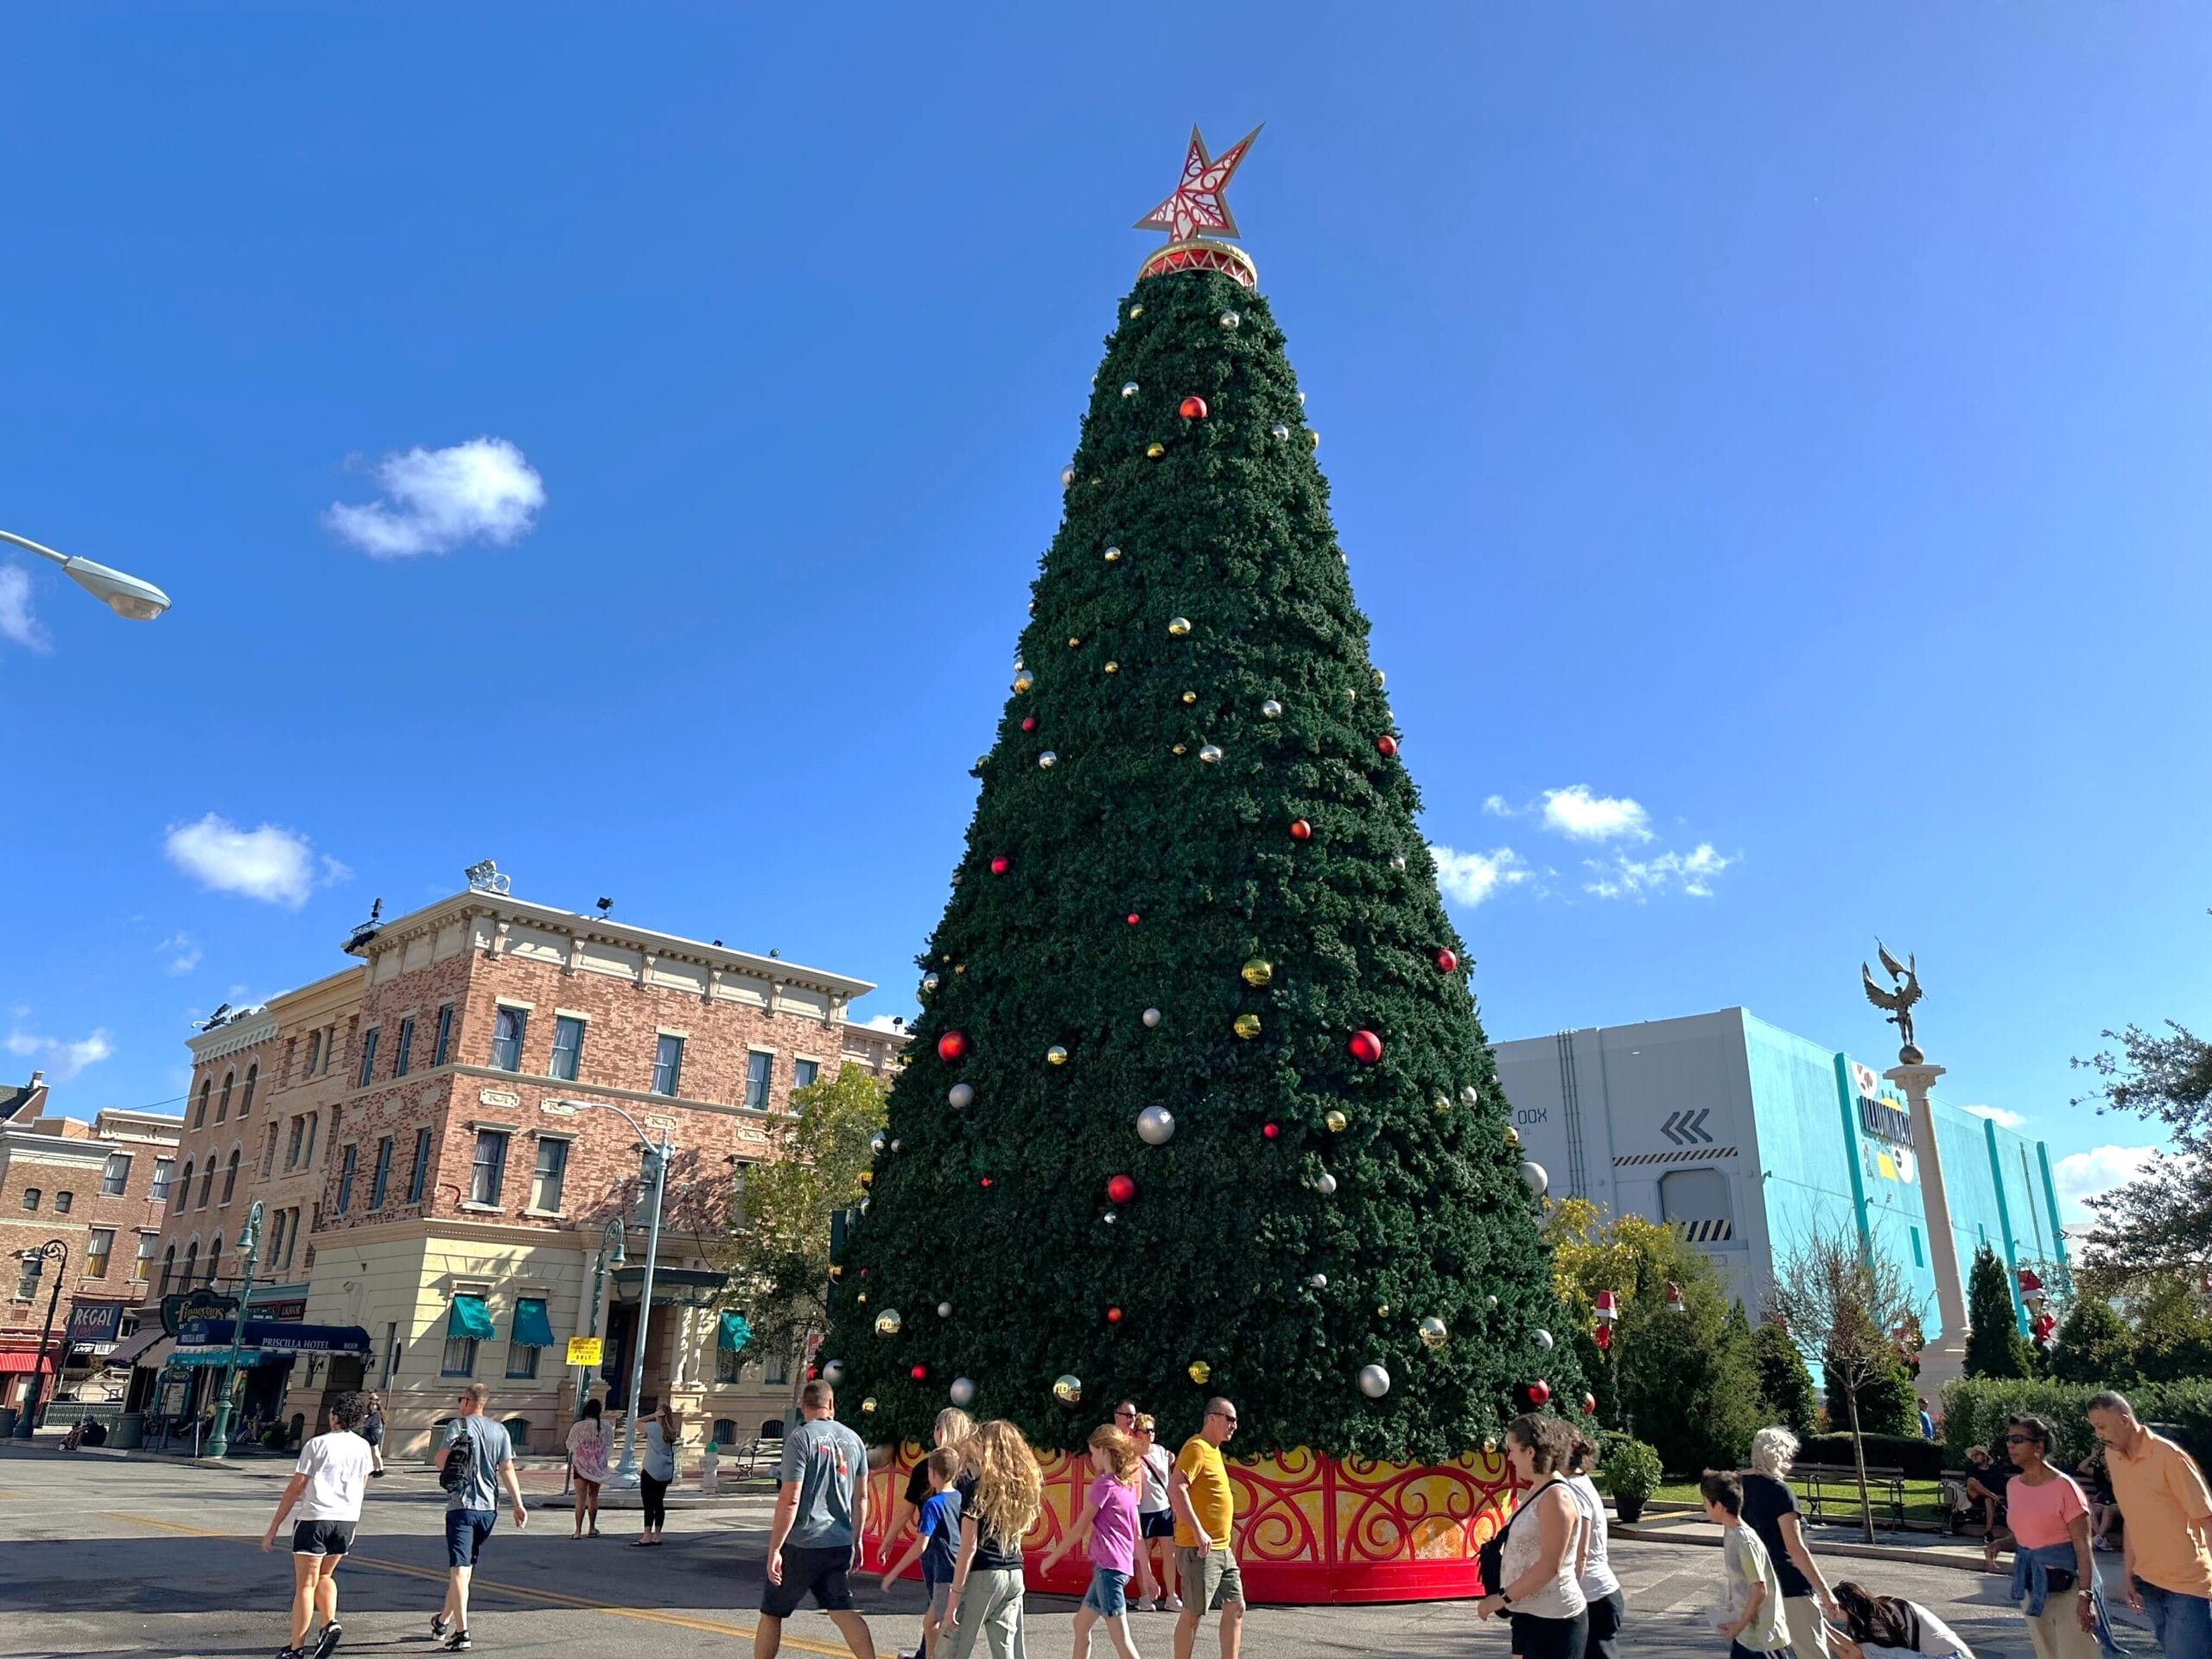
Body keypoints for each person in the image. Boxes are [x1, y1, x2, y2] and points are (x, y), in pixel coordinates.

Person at [2088, 1389, 2212, 1658]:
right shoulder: (2114, 1457)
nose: (2099, 1434)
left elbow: (2206, 1519)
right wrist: (2129, 1573)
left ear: (2123, 1419)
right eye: (2094, 1428)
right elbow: (2133, 1518)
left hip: (2187, 1583)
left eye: (2101, 1426)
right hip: (2149, 1580)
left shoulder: (2168, 1456)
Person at [759, 1379, 876, 1659]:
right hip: (838, 1541)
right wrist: (857, 1539)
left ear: (803, 1406)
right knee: (843, 1611)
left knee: (772, 1612)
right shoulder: (854, 1440)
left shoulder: (800, 1439)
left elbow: (791, 1498)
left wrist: (775, 1548)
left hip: (803, 1543)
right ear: (831, 1404)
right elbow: (861, 1497)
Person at [260, 1391, 375, 1659]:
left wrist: (275, 1525)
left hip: (315, 1518)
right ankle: (329, 1622)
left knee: (305, 1585)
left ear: (333, 1416)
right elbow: (363, 1482)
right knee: (325, 1576)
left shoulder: (317, 1444)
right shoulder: (363, 1447)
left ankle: (296, 1647)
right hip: (346, 1520)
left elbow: (295, 1488)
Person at [1476, 1415, 1588, 1659]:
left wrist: (1501, 1598)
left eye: (1512, 1449)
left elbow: (1549, 1566)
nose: (1509, 1458)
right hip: (1530, 1616)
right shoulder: (1539, 1488)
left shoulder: (1556, 1497)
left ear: (1530, 1452)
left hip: (1555, 1620)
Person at [433, 1382, 529, 1652]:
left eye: (459, 1400)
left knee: (459, 1570)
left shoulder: (458, 1426)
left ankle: (461, 1633)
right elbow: (507, 1468)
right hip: (489, 1509)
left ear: (466, 1401)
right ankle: (442, 1621)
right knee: (464, 1570)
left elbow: (441, 1460)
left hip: (461, 1505)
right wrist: (518, 1504)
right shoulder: (500, 1430)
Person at [2000, 1413, 2103, 1659]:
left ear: (2038, 1446)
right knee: (2046, 1655)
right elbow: (2027, 1533)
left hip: (2068, 1588)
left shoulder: (2064, 1487)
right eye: (2008, 1439)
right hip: (2032, 1586)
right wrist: (2002, 1543)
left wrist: (2084, 1596)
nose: (2010, 1445)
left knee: (2079, 1655)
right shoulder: (2013, 1486)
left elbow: (2083, 1546)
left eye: (2017, 1439)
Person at [1040, 1424, 1146, 1659]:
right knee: (1080, 1624)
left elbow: (1079, 1529)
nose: (1091, 1458)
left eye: (1093, 1452)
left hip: (1108, 1569)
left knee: (1121, 1639)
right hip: (1117, 1567)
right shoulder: (1127, 1486)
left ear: (1105, 1452)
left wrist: (1051, 1558)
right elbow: (1137, 1535)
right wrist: (1147, 1574)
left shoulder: (1104, 1485)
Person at [946, 1418, 1045, 1659]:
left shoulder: (977, 1487)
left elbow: (968, 1546)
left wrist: (954, 1596)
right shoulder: (1021, 1487)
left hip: (984, 1574)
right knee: (1007, 1652)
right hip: (1014, 1573)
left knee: (954, 1646)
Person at [1743, 1427, 1843, 1658]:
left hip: (1752, 1585)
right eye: (1788, 1454)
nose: (1791, 1460)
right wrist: (1825, 1592)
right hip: (1789, 1585)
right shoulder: (1779, 1492)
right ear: (1778, 1455)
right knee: (1811, 1652)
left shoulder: (1736, 1487)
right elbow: (1795, 1549)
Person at [1170, 1398, 1244, 1659]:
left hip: (1222, 1548)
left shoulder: (1212, 1450)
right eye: (1229, 1419)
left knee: (1236, 1607)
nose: (1234, 1425)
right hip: (1198, 1547)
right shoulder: (1197, 1448)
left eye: (1235, 1420)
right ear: (1212, 1418)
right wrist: (1199, 1530)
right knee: (1192, 1613)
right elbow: (1176, 1486)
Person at [881, 1446, 963, 1659]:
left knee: (933, 1623)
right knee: (933, 1622)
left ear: (933, 1474)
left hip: (944, 1571)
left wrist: (893, 1572)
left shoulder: (932, 1505)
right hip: (958, 1567)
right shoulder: (959, 1498)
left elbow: (920, 1545)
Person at [1704, 1471, 1790, 1659]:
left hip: (1763, 1640)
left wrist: (1738, 1625)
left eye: (1706, 1501)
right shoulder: (1731, 1533)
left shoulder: (1744, 1541)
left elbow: (1760, 1589)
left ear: (1718, 1506)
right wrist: (1732, 1606)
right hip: (1745, 1636)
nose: (1704, 1507)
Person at [1564, 1429, 1624, 1659]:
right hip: (1601, 1594)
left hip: (1594, 1597)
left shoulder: (1574, 1487)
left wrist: (1569, 1590)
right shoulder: (1581, 1481)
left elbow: (1582, 1551)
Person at [892, 1408, 977, 1559]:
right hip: (967, 1547)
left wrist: (887, 1541)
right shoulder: (974, 1470)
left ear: (940, 1432)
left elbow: (905, 1512)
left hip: (935, 1548)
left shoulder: (925, 1468)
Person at [1829, 1580, 1975, 1659]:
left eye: (1835, 1608)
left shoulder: (1878, 1619)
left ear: (1848, 1608)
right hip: (1952, 1656)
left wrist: (1822, 1635)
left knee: (1865, 1652)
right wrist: (1825, 1629)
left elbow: (1856, 1654)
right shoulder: (1882, 1608)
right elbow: (1856, 1647)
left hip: (1945, 1657)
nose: (1833, 1614)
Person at [1133, 1414, 1179, 1612]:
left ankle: (1171, 1595)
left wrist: (1174, 1506)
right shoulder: (1133, 1455)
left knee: (1170, 1554)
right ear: (1137, 1433)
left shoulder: (1161, 1451)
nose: (1151, 1434)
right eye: (1146, 1430)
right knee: (1144, 1553)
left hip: (1163, 1508)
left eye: (1152, 1430)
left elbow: (1168, 1480)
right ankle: (1145, 1595)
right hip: (1144, 1509)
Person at [1968, 1440, 2018, 1573]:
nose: (1975, 1457)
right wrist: (1992, 1494)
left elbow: (2000, 1487)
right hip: (1973, 1497)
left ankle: (1988, 1532)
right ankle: (1991, 1496)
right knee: (1972, 1481)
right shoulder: (1972, 1469)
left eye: (1977, 1454)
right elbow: (1971, 1484)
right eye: (1973, 1455)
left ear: (1984, 1457)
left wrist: (1995, 1496)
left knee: (1988, 1500)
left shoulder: (1994, 1471)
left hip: (1990, 1499)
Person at [566, 1397, 612, 1539]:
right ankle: (592, 1527)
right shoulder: (606, 1426)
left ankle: (578, 1531)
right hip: (597, 1466)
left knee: (580, 1497)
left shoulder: (578, 1426)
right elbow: (609, 1444)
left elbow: (569, 1444)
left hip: (581, 1466)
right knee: (593, 1496)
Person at [639, 1400, 681, 1547]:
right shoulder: (672, 1431)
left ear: (659, 1414)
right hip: (665, 1471)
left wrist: (652, 1415)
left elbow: (636, 1422)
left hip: (651, 1469)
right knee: (659, 1503)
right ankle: (658, 1535)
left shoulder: (653, 1427)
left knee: (648, 1504)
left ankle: (646, 1535)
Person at [2077, 1446, 2120, 1553]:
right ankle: (2100, 1538)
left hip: (2117, 1503)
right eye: (2101, 1456)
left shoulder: (2120, 1471)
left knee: (2108, 1509)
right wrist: (2092, 1456)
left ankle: (2099, 1538)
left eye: (2105, 1456)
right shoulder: (2098, 1472)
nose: (2103, 1459)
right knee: (2091, 1510)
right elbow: (2082, 1467)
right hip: (2102, 1502)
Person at [362, 1391, 387, 1478]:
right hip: (370, 1429)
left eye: (374, 1398)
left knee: (375, 1450)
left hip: (374, 1431)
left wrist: (367, 1419)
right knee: (372, 1451)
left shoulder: (378, 1411)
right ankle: (376, 1469)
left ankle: (381, 1469)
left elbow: (374, 1420)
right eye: (371, 1398)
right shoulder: (371, 1408)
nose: (372, 1400)